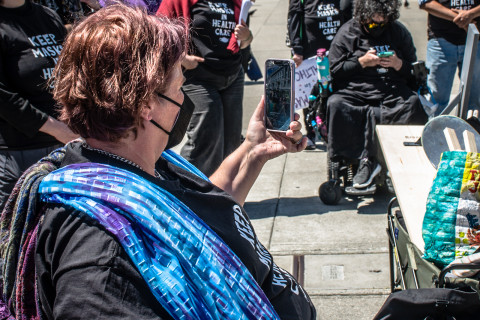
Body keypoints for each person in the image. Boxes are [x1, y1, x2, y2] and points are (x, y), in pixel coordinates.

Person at [0, 3, 316, 319]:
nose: (183, 98)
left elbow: (193, 221)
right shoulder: (101, 261)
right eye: (179, 86)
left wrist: (253, 150)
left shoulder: (138, 163)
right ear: (146, 104)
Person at [327, 0, 427, 189]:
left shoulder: (398, 31)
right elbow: (335, 70)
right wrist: (361, 62)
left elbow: (414, 72)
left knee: (412, 103)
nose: (378, 28)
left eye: (383, 24)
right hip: (356, 89)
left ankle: (395, 160)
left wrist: (398, 64)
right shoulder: (348, 32)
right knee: (336, 104)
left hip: (391, 89)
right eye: (373, 24)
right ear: (363, 18)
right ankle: (365, 160)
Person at [157, 0, 253, 176]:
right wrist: (182, 58)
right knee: (207, 137)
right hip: (197, 77)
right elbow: (158, 32)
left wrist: (247, 37)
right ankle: (190, 188)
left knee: (232, 142)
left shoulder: (236, 2)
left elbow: (244, 42)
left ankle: (225, 191)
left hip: (232, 74)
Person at [0, 0, 78, 213]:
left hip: (64, 147)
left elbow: (71, 72)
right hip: (19, 155)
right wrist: (57, 129)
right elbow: (4, 100)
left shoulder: (48, 16)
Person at [287, 0, 353, 149]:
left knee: (338, 92)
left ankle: (334, 130)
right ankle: (311, 131)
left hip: (338, 52)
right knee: (311, 93)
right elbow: (294, 18)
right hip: (311, 53)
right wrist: (297, 49)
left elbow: (350, 19)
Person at [419, 0, 480, 116]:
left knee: (474, 97)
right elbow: (425, 3)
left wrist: (470, 14)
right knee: (437, 97)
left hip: (475, 38)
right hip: (441, 39)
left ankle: (472, 130)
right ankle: (434, 130)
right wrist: (462, 18)